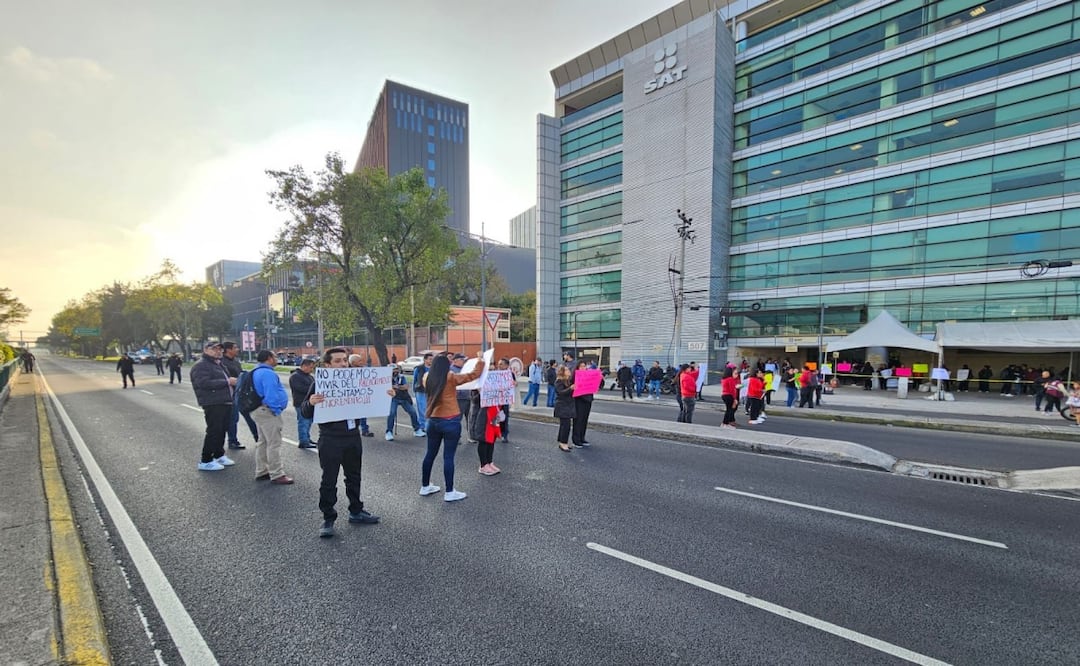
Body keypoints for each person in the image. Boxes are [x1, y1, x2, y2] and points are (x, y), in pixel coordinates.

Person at [302, 347, 381, 538]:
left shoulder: (357, 380)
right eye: (338, 361)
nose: (343, 364)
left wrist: (386, 395)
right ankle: (328, 517)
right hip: (330, 439)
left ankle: (356, 511)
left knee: (354, 477)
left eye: (345, 360)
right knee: (329, 479)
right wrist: (311, 403)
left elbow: (374, 398)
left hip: (352, 437)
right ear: (328, 365)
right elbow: (304, 411)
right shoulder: (320, 383)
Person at [420, 352, 485, 501]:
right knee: (448, 457)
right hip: (450, 420)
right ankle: (449, 492)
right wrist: (480, 361)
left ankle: (425, 486)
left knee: (430, 454)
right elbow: (472, 375)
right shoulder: (450, 377)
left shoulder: (426, 377)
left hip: (432, 420)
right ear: (446, 365)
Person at [189, 342, 237, 471]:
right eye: (214, 349)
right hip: (213, 402)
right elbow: (203, 383)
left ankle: (218, 454)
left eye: (220, 349)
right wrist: (227, 381)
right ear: (205, 350)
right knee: (214, 431)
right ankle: (205, 460)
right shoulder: (201, 365)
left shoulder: (218, 364)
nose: (218, 351)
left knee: (222, 430)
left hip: (225, 401)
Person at [249, 350, 293, 485]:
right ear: (269, 358)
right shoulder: (268, 373)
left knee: (263, 441)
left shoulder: (256, 371)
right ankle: (277, 473)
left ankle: (262, 470)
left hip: (259, 410)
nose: (276, 359)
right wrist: (276, 410)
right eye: (275, 357)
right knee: (274, 443)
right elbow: (271, 394)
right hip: (268, 411)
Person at [221, 341, 256, 450]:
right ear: (228, 350)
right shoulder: (222, 362)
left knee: (250, 416)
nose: (237, 349)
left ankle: (258, 438)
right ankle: (232, 441)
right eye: (235, 347)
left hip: (240, 393)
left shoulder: (236, 362)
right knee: (233, 418)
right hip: (229, 394)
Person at [386, 365, 424, 440]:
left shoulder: (401, 377)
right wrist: (398, 387)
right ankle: (389, 432)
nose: (395, 371)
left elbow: (406, 386)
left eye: (396, 369)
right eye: (393, 370)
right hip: (393, 398)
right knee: (391, 413)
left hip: (403, 397)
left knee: (413, 412)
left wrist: (397, 387)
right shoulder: (386, 378)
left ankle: (417, 429)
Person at [469, 389, 501, 475]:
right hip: (482, 416)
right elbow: (474, 400)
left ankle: (489, 462)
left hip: (493, 414)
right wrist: (481, 392)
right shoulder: (477, 385)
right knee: (483, 439)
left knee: (492, 439)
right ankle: (483, 465)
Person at [289, 358, 317, 449]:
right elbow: (300, 388)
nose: (311, 370)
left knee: (308, 422)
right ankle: (303, 441)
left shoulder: (309, 376)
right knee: (303, 422)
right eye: (310, 367)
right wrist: (312, 390)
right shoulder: (295, 376)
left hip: (309, 403)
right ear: (304, 366)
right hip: (300, 403)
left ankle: (307, 438)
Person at [346, 354, 376, 437]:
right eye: (359, 361)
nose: (362, 362)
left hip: (361, 396)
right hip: (350, 397)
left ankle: (364, 430)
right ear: (353, 362)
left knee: (363, 414)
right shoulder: (345, 372)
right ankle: (351, 431)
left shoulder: (365, 371)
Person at [553, 365, 575, 452]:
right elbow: (560, 392)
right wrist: (570, 389)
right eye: (566, 370)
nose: (569, 371)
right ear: (562, 372)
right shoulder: (559, 381)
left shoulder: (567, 381)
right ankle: (563, 443)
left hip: (567, 405)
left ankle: (561, 441)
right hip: (562, 406)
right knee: (566, 425)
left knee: (564, 425)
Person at [572, 360, 594, 447]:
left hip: (588, 400)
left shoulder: (589, 375)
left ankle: (582, 437)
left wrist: (600, 378)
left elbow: (598, 385)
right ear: (577, 367)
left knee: (584, 420)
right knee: (578, 420)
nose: (583, 368)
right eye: (581, 366)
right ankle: (576, 439)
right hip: (579, 400)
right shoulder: (575, 376)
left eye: (584, 366)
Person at [413, 353, 433, 432]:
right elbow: (415, 380)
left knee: (430, 408)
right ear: (425, 360)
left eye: (432, 359)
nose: (431, 361)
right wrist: (414, 390)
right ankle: (422, 425)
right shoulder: (419, 368)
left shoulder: (433, 369)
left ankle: (429, 424)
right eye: (430, 359)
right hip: (420, 391)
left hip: (431, 391)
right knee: (422, 408)